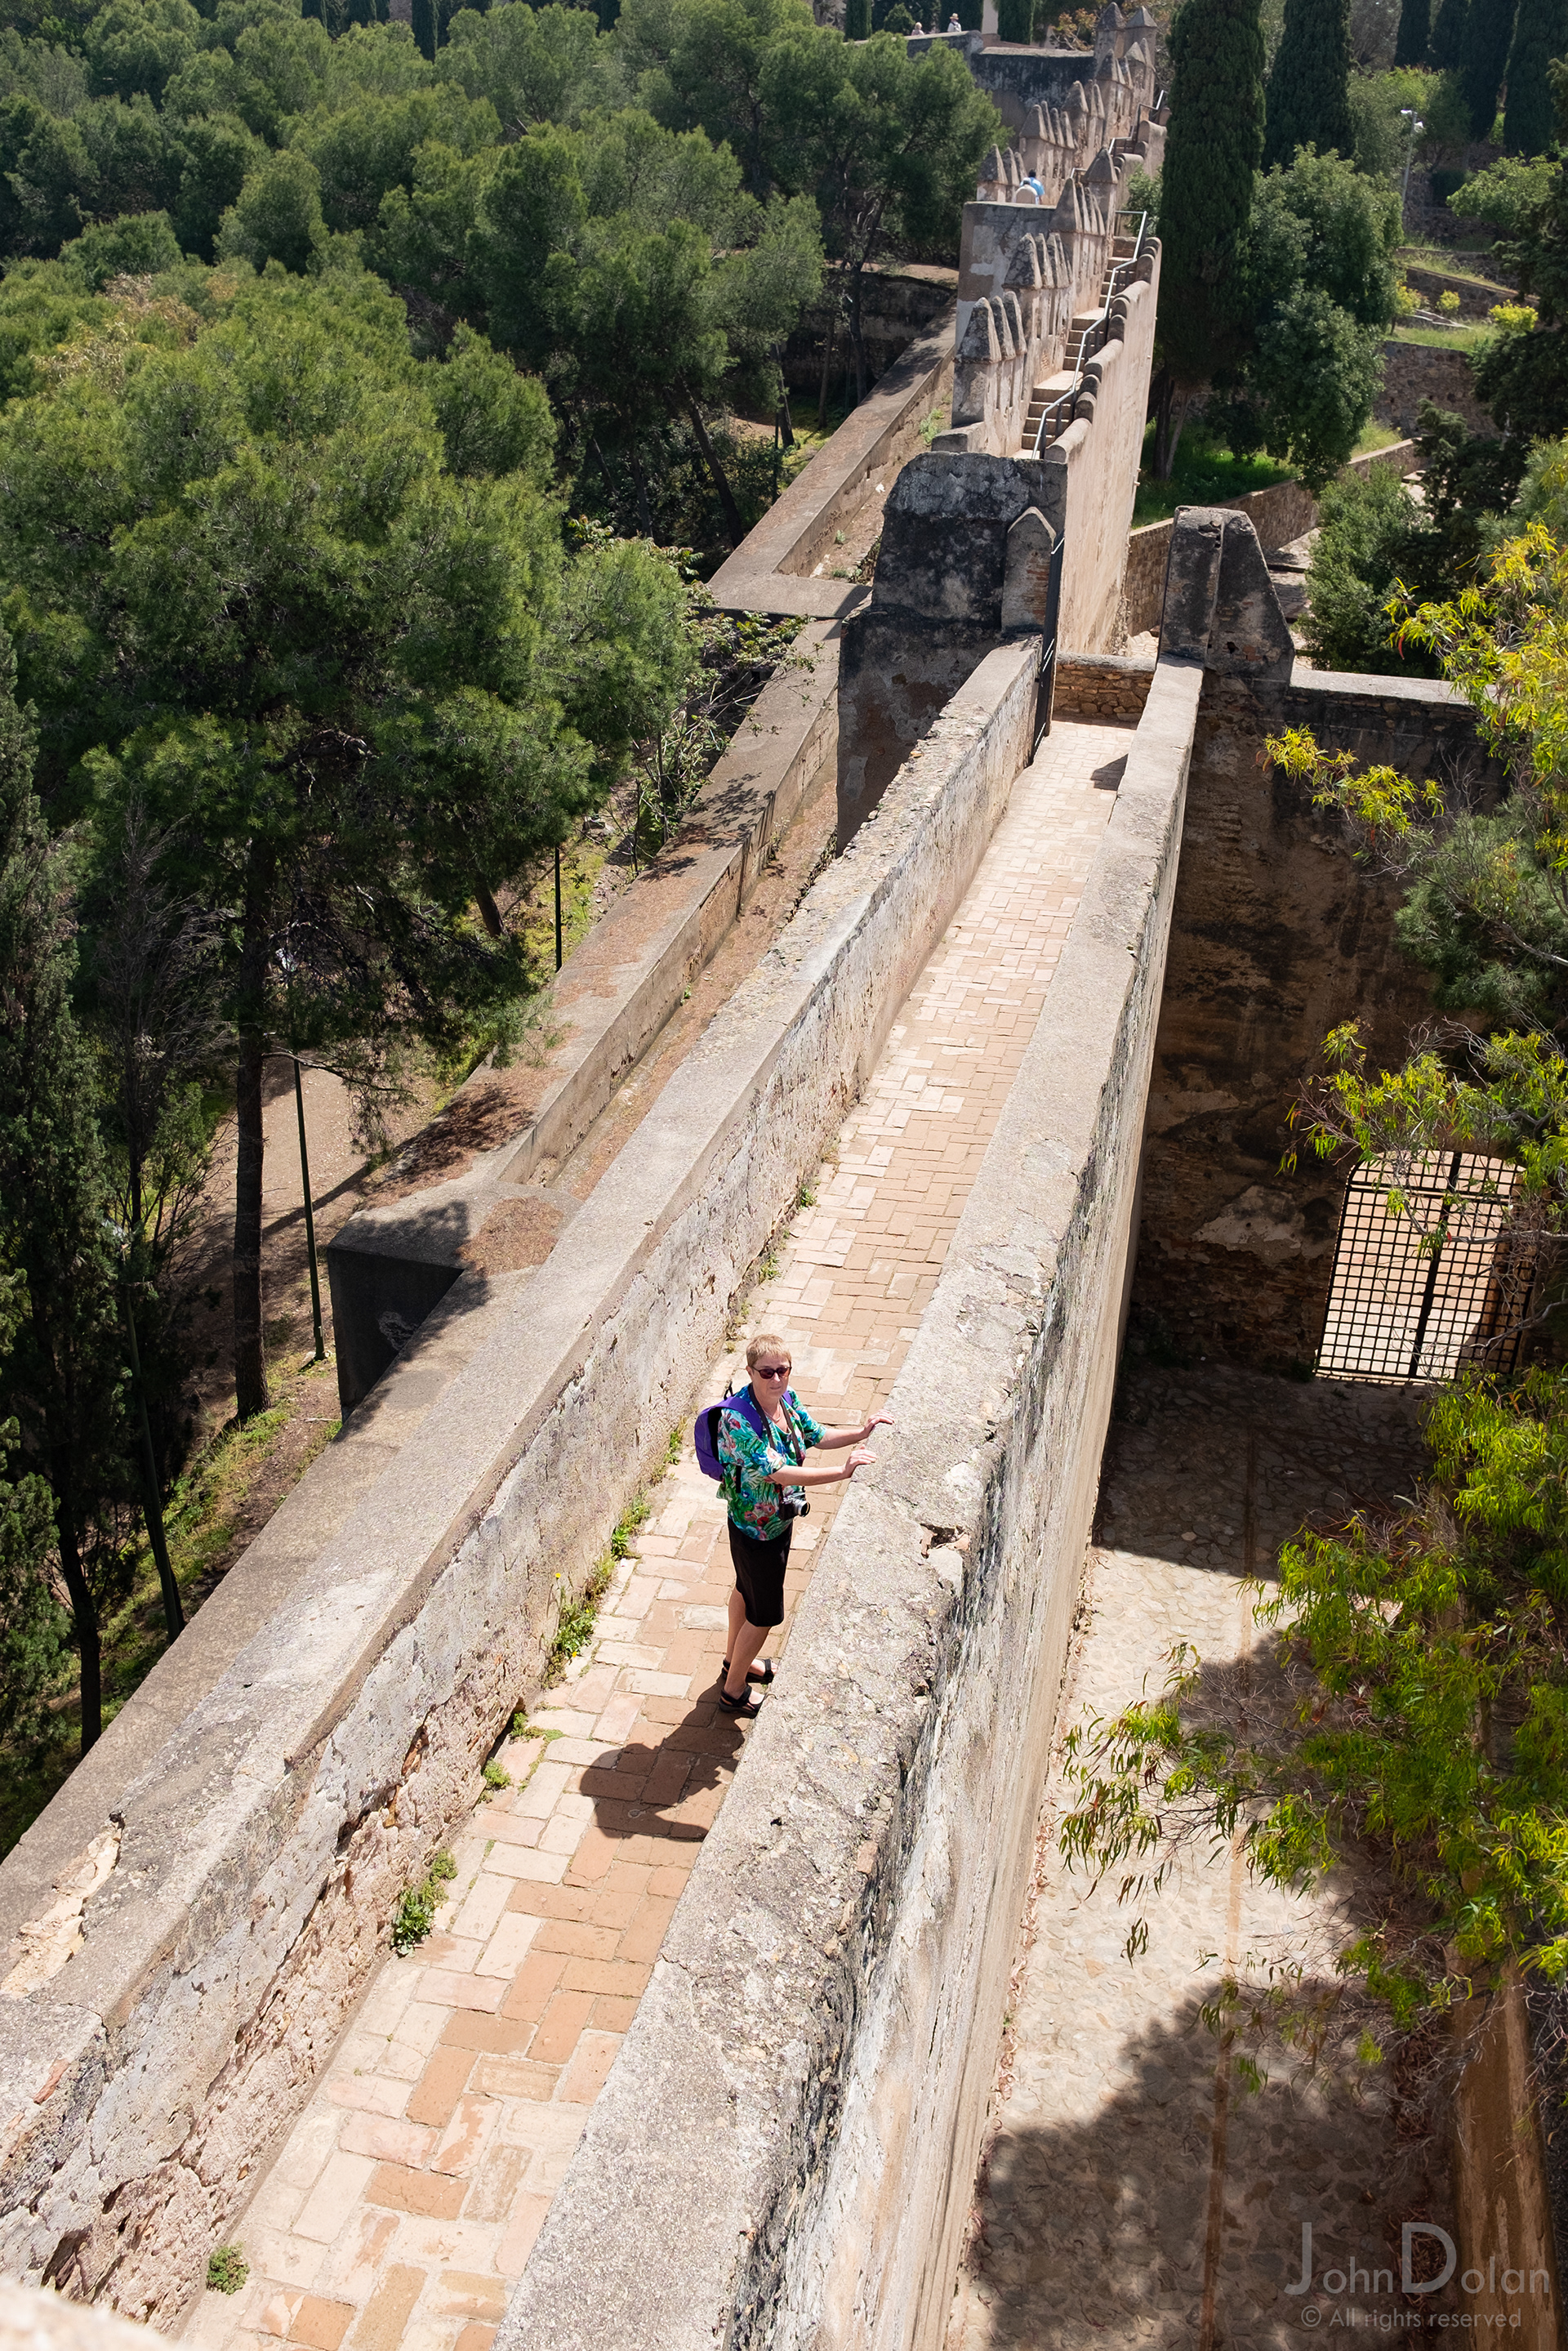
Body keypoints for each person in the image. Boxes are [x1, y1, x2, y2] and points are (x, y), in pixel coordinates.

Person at [715, 1333, 893, 1718]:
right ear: (751, 1372)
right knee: (763, 1618)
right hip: (756, 1530)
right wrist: (842, 1473)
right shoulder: (738, 1421)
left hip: (768, 1524)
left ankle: (735, 1663)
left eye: (783, 1370)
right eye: (767, 1372)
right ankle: (733, 1691)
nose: (776, 1378)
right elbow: (778, 1473)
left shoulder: (786, 1402)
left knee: (744, 1592)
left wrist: (861, 1433)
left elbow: (818, 1435)